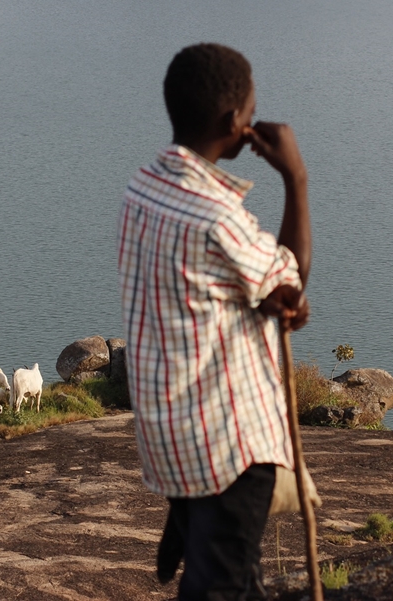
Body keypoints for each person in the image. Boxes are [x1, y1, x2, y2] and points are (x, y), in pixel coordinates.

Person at [117, 43, 311, 601]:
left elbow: (205, 287)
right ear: (234, 123)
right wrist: (295, 177)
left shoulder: (143, 187)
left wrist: (270, 299)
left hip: (173, 433)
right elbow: (292, 281)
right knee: (221, 588)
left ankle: (189, 523)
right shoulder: (219, 218)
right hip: (229, 445)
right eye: (251, 112)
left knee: (239, 580)